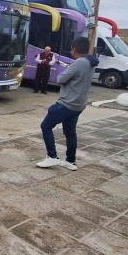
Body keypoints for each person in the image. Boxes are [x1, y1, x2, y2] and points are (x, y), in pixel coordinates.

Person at [36, 37, 99, 171]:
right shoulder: (91, 62)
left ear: (75, 49)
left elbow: (60, 79)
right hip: (79, 104)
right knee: (70, 132)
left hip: (67, 103)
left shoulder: (79, 63)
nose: (71, 51)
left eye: (71, 48)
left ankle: (52, 156)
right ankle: (71, 161)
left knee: (46, 126)